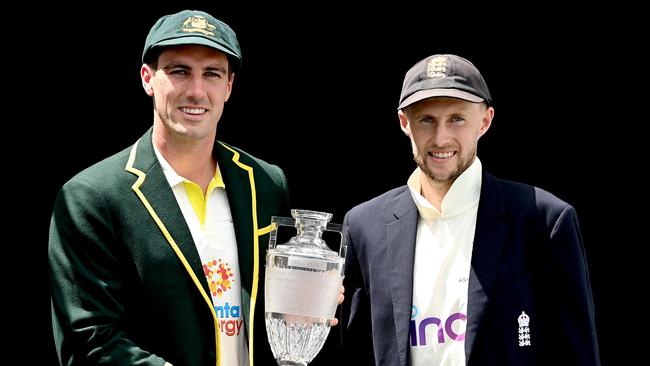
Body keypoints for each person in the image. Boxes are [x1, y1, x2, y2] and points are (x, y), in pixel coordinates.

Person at [49, 9, 291, 365]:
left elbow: (274, 311)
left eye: (212, 73)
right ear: (147, 78)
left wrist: (309, 304)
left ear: (229, 86)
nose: (196, 90)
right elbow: (91, 343)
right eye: (179, 71)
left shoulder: (266, 181)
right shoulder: (91, 197)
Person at [340, 54, 600, 365]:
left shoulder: (542, 221)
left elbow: (578, 356)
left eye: (457, 119)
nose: (441, 138)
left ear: (485, 121)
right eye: (427, 120)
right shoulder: (364, 227)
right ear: (404, 123)